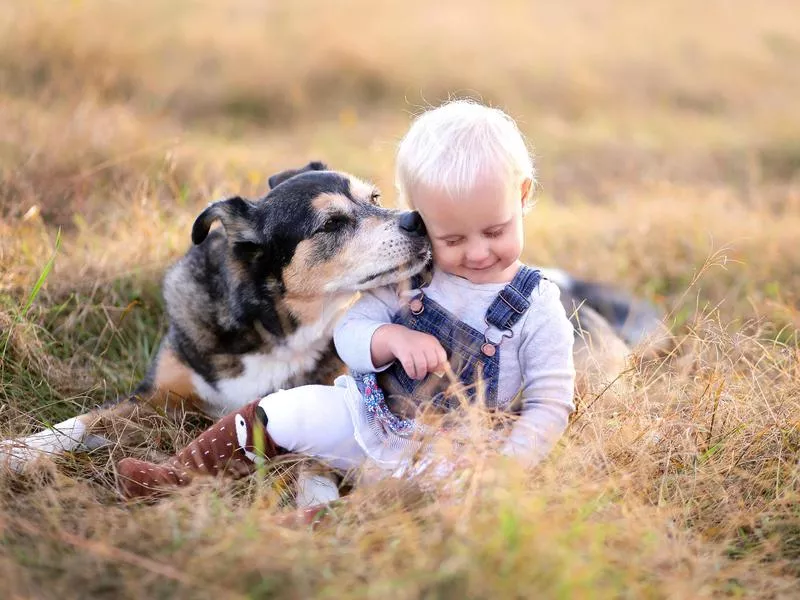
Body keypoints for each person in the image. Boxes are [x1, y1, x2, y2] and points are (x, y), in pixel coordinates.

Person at [116, 99, 576, 503]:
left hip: (452, 448)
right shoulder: (407, 280)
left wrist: (509, 470)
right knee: (288, 410)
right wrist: (388, 337)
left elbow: (551, 402)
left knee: (425, 491)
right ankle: (178, 475)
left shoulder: (537, 305)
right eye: (450, 236)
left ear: (521, 198)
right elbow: (350, 334)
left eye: (493, 232)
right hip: (368, 419)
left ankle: (326, 516)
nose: (476, 253)